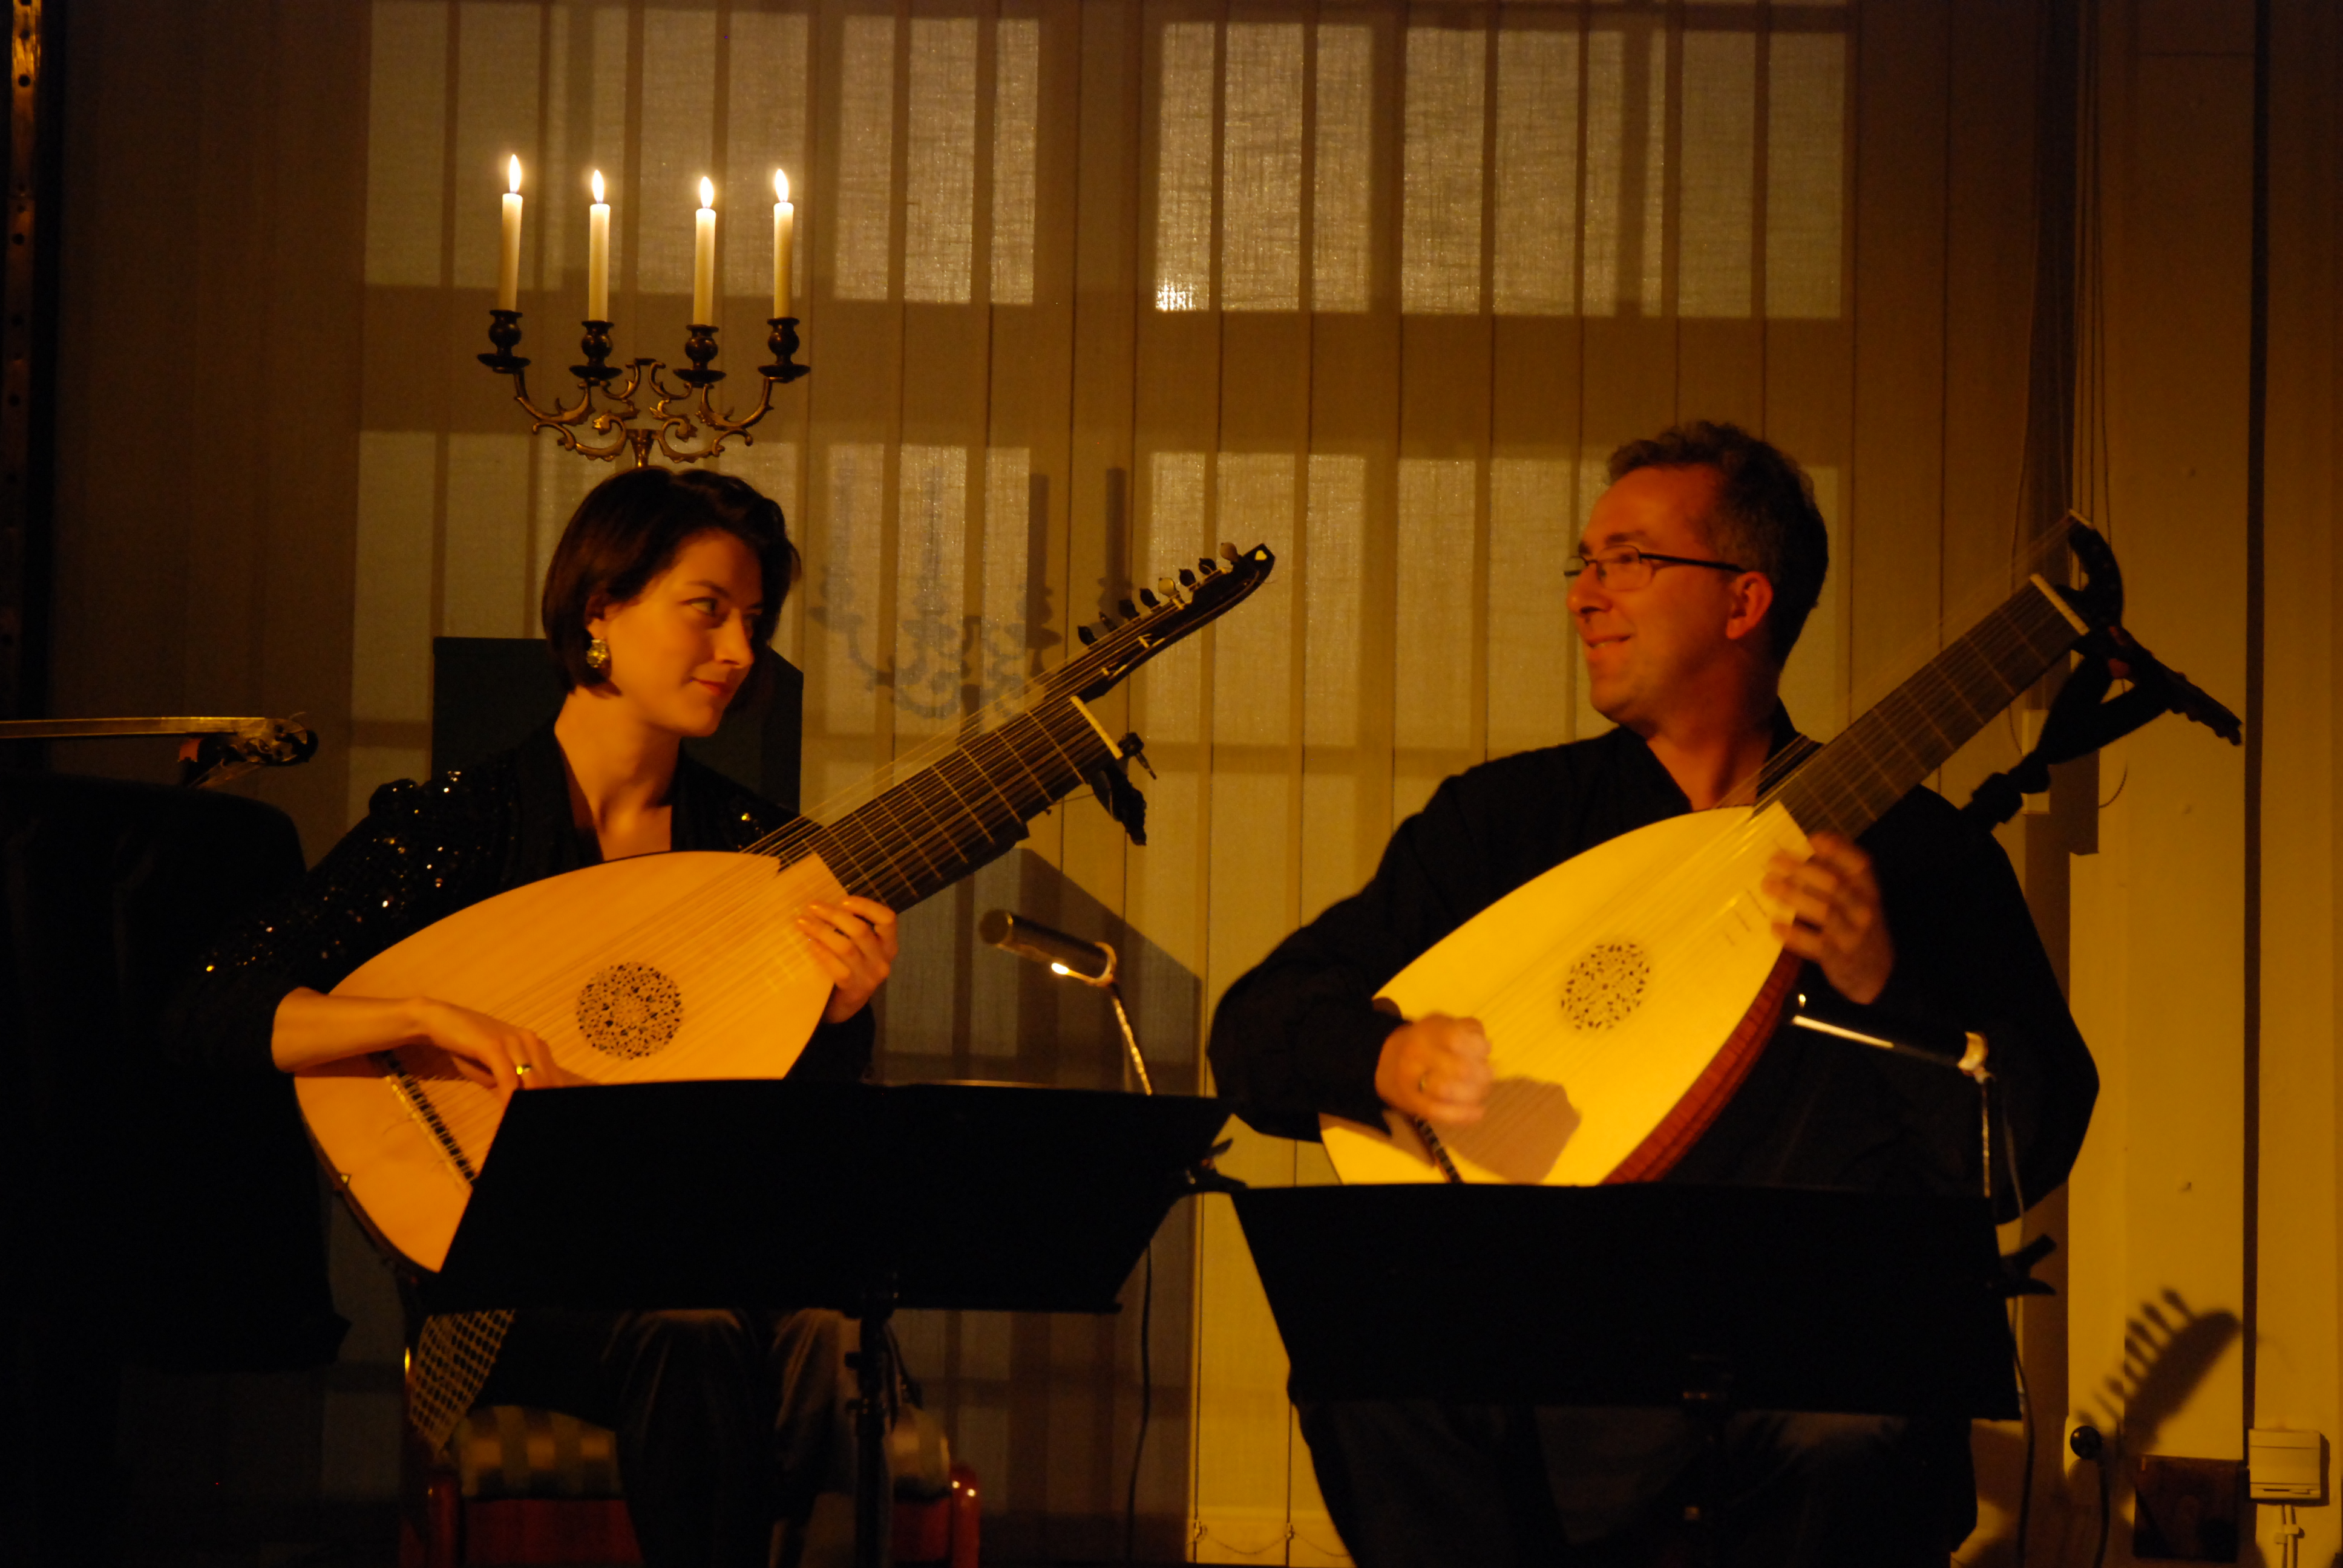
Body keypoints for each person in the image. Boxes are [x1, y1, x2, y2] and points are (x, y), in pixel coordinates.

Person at [1207, 422, 2099, 1567]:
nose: (1584, 597)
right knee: (1369, 1374)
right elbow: (1257, 1027)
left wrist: (1888, 988)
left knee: (1853, 1439)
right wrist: (1383, 1058)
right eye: (1582, 565)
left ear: (1744, 601)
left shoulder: (1917, 858)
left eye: (1627, 561)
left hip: (1812, 1366)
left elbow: (2026, 1147)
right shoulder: (1506, 828)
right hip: (1548, 1358)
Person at [171, 466, 899, 1568]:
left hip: (708, 1252)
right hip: (505, 1292)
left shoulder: (760, 855)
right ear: (601, 612)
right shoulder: (456, 828)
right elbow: (212, 1009)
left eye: (754, 621)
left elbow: (788, 1141)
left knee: (829, 1332)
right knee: (695, 1326)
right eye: (707, 610)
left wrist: (841, 1012)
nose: (741, 651)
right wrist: (424, 1015)